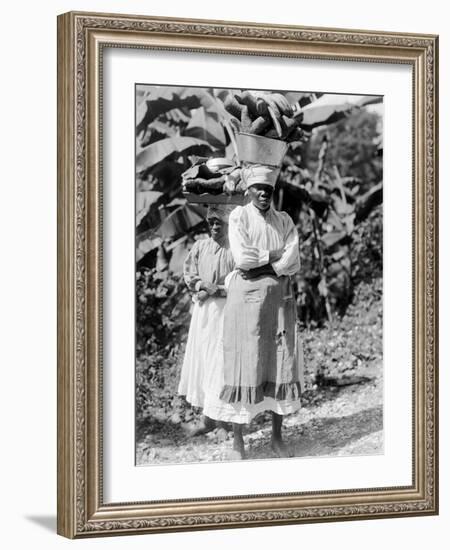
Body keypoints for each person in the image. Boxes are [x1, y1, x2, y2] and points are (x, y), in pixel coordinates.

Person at [220, 164, 303, 459]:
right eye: (259, 189)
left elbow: (293, 259)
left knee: (279, 361)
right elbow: (242, 258)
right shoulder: (239, 216)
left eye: (268, 189)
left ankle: (277, 438)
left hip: (279, 299)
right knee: (244, 360)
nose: (264, 194)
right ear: (248, 190)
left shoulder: (284, 220)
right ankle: (238, 443)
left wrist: (270, 263)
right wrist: (275, 256)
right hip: (245, 300)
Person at [178, 204, 236, 436]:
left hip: (226, 310)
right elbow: (190, 273)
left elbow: (241, 278)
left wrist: (217, 289)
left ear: (228, 225)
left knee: (220, 363)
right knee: (204, 360)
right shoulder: (201, 246)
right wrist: (202, 285)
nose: (214, 227)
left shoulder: (235, 248)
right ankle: (207, 419)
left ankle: (223, 421)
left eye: (218, 223)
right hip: (204, 313)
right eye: (210, 223)